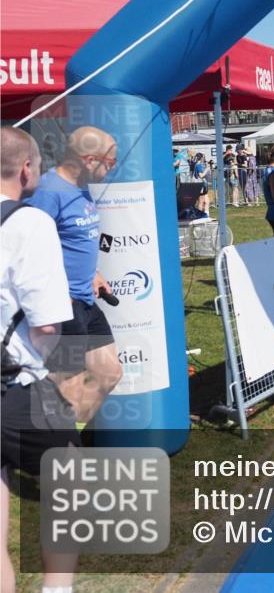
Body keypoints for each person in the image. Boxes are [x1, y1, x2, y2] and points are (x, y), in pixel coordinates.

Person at [1, 127, 79, 593]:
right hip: (21, 385)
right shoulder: (30, 224)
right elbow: (48, 324)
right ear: (26, 169)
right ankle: (56, 587)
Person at [25, 126, 123, 423]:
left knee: (110, 374)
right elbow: (27, 250)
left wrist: (93, 272)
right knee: (69, 389)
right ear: (89, 159)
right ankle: (54, 452)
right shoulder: (47, 193)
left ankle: (51, 435)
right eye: (111, 162)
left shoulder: (81, 186)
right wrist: (55, 294)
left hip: (86, 300)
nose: (113, 168)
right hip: (62, 306)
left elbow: (71, 241)